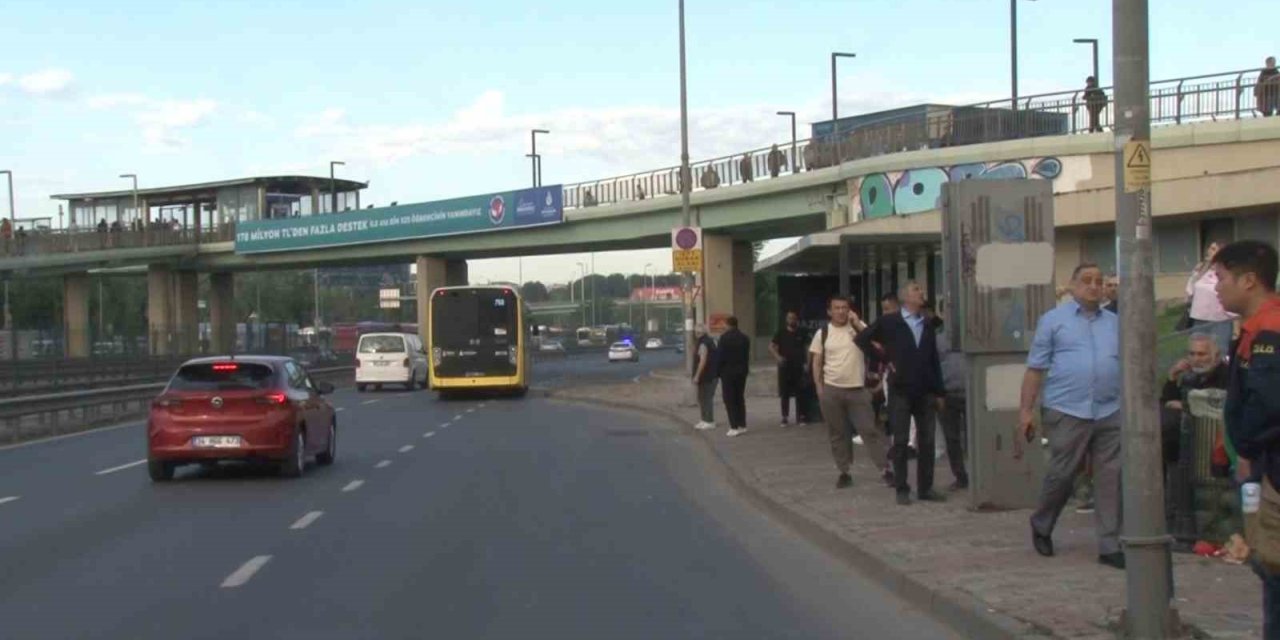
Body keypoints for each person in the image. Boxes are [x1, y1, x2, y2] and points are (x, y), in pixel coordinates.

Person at [1016, 263, 1124, 569]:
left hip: (1109, 409)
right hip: (1067, 410)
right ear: (1073, 284)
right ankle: (1042, 523)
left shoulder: (1115, 323)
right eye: (1087, 281)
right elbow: (1035, 369)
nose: (1093, 286)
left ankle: (1109, 544)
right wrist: (1026, 411)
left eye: (1098, 281)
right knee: (1062, 473)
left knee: (1110, 477)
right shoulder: (1053, 321)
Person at [1212, 239, 1280, 636]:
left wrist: (1249, 450)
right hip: (1263, 464)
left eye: (1221, 278)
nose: (1216, 288)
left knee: (1272, 566)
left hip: (1271, 468)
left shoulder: (1270, 329)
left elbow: (1269, 404)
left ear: (1249, 280)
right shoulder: (1255, 328)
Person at [857, 281, 947, 506]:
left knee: (926, 441)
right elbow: (862, 339)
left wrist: (939, 392)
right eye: (918, 290)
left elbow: (933, 359)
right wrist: (885, 359)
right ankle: (902, 488)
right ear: (906, 297)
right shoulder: (890, 321)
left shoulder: (926, 324)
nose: (922, 293)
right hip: (900, 390)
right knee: (901, 440)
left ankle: (926, 488)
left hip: (925, 391)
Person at [811, 296, 890, 489]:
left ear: (850, 310)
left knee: (869, 430)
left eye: (844, 308)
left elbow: (878, 346)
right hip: (832, 389)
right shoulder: (823, 333)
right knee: (838, 433)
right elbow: (817, 361)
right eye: (836, 308)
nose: (840, 312)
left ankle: (885, 469)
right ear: (829, 311)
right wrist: (819, 388)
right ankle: (844, 472)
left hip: (857, 390)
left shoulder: (857, 327)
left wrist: (857, 324)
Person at [1160, 334, 1228, 478]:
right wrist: (1172, 377)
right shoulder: (1191, 376)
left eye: (1201, 354)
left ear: (1216, 356)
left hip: (1214, 440)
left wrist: (1185, 406)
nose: (1196, 359)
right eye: (1192, 354)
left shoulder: (1225, 375)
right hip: (1187, 438)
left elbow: (1219, 406)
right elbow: (1167, 403)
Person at [935, 301, 970, 490]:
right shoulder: (937, 339)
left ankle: (980, 475)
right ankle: (961, 477)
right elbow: (932, 368)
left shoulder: (973, 335)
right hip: (947, 394)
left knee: (975, 438)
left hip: (971, 394)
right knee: (952, 438)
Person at [1187, 241, 1237, 354]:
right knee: (1197, 352)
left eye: (1213, 249)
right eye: (1209, 248)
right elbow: (1191, 288)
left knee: (1220, 352)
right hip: (1199, 319)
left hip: (1220, 320)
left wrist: (1236, 327)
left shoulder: (1228, 271)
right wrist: (1207, 263)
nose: (1209, 251)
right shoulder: (1202, 269)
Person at [770, 311, 809, 427]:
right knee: (785, 393)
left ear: (797, 320)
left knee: (800, 392)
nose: (792, 320)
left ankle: (801, 417)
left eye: (794, 318)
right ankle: (784, 417)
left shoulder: (802, 332)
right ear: (786, 320)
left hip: (799, 366)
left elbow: (808, 348)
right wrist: (778, 357)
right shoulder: (781, 333)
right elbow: (771, 346)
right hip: (785, 367)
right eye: (790, 318)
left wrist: (807, 363)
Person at [717, 316, 751, 437]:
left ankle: (733, 426)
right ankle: (742, 424)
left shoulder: (724, 338)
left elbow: (720, 357)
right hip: (741, 372)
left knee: (729, 399)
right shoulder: (745, 338)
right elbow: (746, 356)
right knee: (739, 398)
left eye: (724, 324)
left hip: (728, 373)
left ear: (728, 325)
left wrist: (717, 373)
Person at [691, 324, 720, 431]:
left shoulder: (703, 343)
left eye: (697, 332)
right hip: (710, 375)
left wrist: (697, 376)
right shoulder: (708, 341)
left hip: (707, 376)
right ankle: (704, 420)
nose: (696, 334)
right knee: (702, 398)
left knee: (706, 398)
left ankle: (709, 421)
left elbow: (702, 361)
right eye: (695, 332)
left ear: (702, 333)